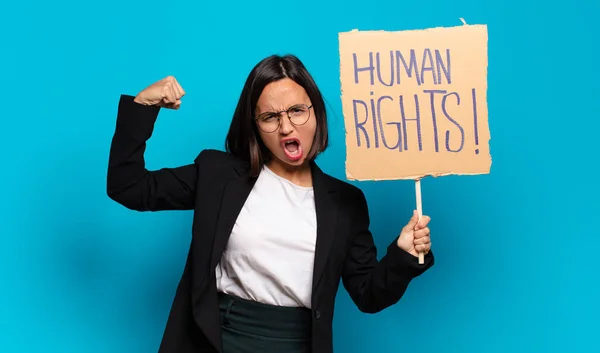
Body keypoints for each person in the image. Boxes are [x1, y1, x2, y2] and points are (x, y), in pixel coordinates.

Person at [106, 54, 434, 353]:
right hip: (214, 340)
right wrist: (142, 107)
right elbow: (130, 187)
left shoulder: (345, 203)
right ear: (256, 127)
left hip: (295, 343)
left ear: (316, 113)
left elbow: (369, 295)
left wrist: (404, 254)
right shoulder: (219, 175)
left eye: (296, 111)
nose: (286, 126)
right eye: (269, 117)